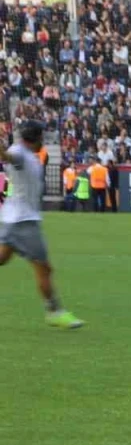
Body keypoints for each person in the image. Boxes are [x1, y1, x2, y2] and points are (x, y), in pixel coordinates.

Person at [0, 122, 85, 329]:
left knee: (2, 258)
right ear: (36, 137)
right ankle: (54, 312)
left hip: (13, 219)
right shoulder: (19, 153)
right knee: (44, 268)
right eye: (42, 137)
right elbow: (9, 157)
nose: (44, 141)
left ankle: (54, 312)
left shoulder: (27, 154)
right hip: (24, 222)